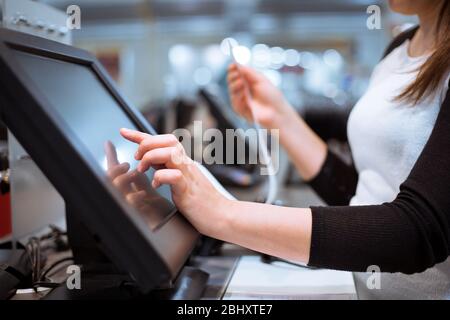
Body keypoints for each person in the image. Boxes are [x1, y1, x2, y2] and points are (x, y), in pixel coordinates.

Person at [120, 0, 450, 298]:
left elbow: (418, 231)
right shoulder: (399, 49)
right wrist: (278, 114)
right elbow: (366, 197)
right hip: (358, 288)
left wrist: (222, 213)